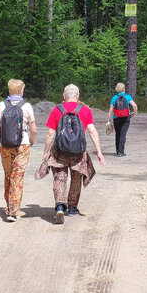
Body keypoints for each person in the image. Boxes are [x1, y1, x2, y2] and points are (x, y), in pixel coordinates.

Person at [36, 84, 106, 224]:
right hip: (78, 152)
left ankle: (60, 206)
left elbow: (50, 133)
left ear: (64, 95)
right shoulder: (85, 110)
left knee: (59, 178)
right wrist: (99, 152)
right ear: (78, 96)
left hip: (59, 151)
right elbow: (92, 130)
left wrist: (45, 152)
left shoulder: (57, 110)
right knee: (76, 179)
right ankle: (73, 208)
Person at [0, 78, 37, 222]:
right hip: (22, 145)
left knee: (8, 175)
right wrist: (32, 139)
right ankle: (13, 211)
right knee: (17, 177)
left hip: (5, 145)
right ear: (21, 91)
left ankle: (9, 206)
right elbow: (33, 128)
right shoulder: (26, 106)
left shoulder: (1, 105)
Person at [106, 82, 138, 157]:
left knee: (118, 133)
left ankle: (117, 150)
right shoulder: (127, 97)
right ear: (124, 89)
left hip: (116, 118)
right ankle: (121, 151)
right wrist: (134, 113)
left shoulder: (114, 98)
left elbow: (110, 109)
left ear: (117, 89)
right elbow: (134, 105)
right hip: (126, 117)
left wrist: (108, 119)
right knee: (123, 134)